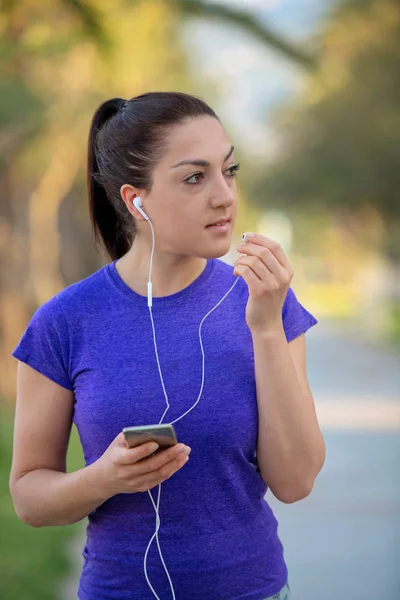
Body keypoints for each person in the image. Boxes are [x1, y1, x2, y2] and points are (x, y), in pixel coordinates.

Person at [9, 91, 324, 600]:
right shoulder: (65, 322)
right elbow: (28, 498)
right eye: (195, 177)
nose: (224, 195)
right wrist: (102, 480)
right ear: (137, 200)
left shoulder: (269, 302)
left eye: (229, 169)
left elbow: (296, 482)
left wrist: (265, 327)